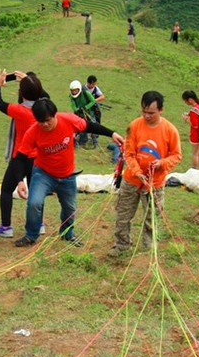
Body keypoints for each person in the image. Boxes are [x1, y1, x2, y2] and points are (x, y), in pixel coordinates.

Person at [13, 99, 124, 247]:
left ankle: (67, 234)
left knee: (70, 208)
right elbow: (20, 158)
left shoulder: (68, 120)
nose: (45, 125)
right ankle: (31, 235)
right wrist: (20, 181)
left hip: (67, 175)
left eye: (48, 120)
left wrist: (112, 133)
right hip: (43, 174)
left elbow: (89, 126)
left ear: (54, 115)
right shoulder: (33, 132)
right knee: (34, 203)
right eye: (41, 121)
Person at [109, 91, 182, 257]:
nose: (146, 116)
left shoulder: (170, 130)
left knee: (152, 217)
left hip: (155, 183)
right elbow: (129, 153)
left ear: (161, 110)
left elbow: (176, 155)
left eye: (151, 113)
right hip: (131, 180)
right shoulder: (134, 126)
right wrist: (137, 171)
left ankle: (148, 247)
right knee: (123, 214)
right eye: (144, 111)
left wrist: (162, 163)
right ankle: (121, 245)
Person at [0, 69, 46, 238]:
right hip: (37, 158)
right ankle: (39, 224)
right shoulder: (43, 109)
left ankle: (6, 227)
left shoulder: (19, 111)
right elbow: (46, 97)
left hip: (19, 158)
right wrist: (30, 81)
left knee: (7, 190)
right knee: (36, 191)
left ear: (21, 93)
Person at [182, 90, 199, 170]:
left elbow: (195, 125)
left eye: (185, 101)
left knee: (195, 153)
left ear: (190, 99)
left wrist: (186, 119)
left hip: (196, 134)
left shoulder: (194, 110)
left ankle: (194, 170)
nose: (185, 102)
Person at [68, 80, 98, 148]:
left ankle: (95, 142)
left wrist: (86, 107)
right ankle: (83, 142)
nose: (74, 92)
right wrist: (77, 110)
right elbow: (73, 106)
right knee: (82, 128)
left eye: (75, 90)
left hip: (89, 113)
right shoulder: (72, 96)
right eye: (72, 90)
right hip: (80, 114)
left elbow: (93, 101)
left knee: (93, 127)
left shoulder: (85, 92)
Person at [85, 75, 105, 148]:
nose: (94, 85)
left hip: (94, 109)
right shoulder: (84, 89)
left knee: (96, 122)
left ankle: (95, 138)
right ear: (89, 83)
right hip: (86, 110)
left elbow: (102, 96)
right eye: (94, 84)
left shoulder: (95, 88)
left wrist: (94, 101)